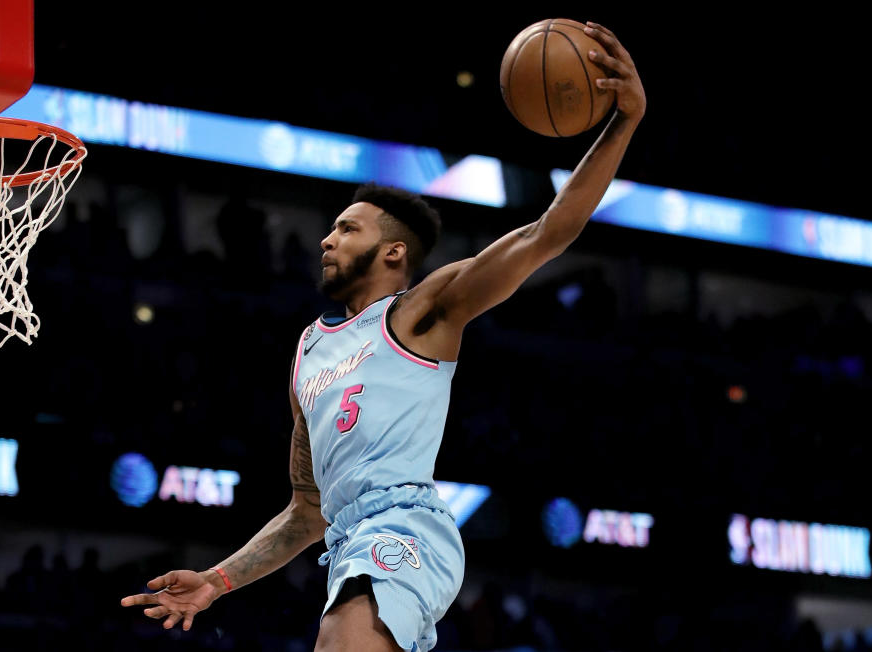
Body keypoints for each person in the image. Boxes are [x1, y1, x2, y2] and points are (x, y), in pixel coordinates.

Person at [121, 21, 645, 652]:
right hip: (348, 540)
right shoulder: (310, 350)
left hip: (403, 531)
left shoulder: (423, 311)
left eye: (347, 229)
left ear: (394, 251)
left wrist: (624, 121)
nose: (327, 239)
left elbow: (546, 233)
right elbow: (306, 513)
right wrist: (218, 578)